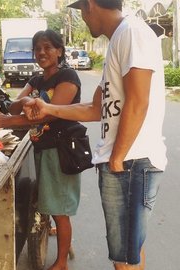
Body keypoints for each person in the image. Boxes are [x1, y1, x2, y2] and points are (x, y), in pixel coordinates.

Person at [23, 0, 166, 269]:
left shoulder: (131, 32)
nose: (83, 19)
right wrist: (47, 107)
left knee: (123, 257)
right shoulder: (118, 41)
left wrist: (117, 158)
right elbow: (95, 108)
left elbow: (138, 101)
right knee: (129, 250)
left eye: (81, 12)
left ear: (90, 6)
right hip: (125, 162)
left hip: (131, 162)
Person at [0, 29, 82, 270]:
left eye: (48, 47)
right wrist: (27, 102)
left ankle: (61, 263)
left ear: (59, 51)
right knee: (48, 200)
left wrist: (9, 119)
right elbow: (15, 107)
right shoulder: (37, 80)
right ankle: (62, 243)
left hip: (61, 150)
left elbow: (49, 114)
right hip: (41, 147)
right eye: (37, 48)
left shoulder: (67, 77)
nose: (41, 52)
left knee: (60, 209)